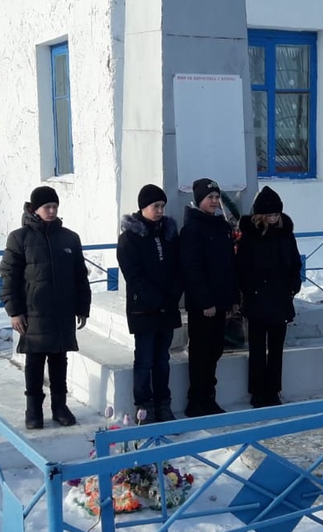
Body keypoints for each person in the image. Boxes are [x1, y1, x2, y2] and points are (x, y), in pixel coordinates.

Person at [0, 185, 91, 429]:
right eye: (46, 207)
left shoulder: (69, 238)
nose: (51, 211)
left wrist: (83, 307)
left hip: (62, 311)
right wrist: (14, 311)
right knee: (35, 362)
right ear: (34, 209)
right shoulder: (20, 238)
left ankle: (60, 406)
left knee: (59, 360)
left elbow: (80, 275)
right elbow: (9, 276)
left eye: (54, 207)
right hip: (33, 312)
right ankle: (33, 411)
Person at [117, 183, 182, 424]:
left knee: (162, 359)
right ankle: (144, 407)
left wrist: (171, 296)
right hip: (143, 308)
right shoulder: (129, 239)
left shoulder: (169, 234)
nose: (160, 211)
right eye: (156, 206)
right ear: (143, 207)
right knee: (144, 359)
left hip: (166, 307)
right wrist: (157, 299)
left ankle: (163, 404)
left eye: (162, 206)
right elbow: (134, 276)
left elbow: (178, 268)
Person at [235, 185, 302, 408]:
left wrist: (293, 286)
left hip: (280, 299)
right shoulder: (250, 237)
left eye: (277, 214)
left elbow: (294, 263)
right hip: (257, 300)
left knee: (276, 348)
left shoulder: (286, 235)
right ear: (261, 215)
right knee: (256, 348)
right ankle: (257, 391)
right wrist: (249, 290)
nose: (274, 218)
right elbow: (242, 268)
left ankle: (273, 389)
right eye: (270, 214)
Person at [180, 177, 237, 417]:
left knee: (215, 350)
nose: (214, 201)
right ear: (199, 200)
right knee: (200, 352)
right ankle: (195, 400)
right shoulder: (192, 228)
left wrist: (233, 298)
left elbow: (229, 266)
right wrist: (206, 302)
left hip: (221, 302)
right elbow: (192, 268)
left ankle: (209, 397)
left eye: (216, 197)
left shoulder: (222, 227)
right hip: (202, 305)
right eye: (209, 197)